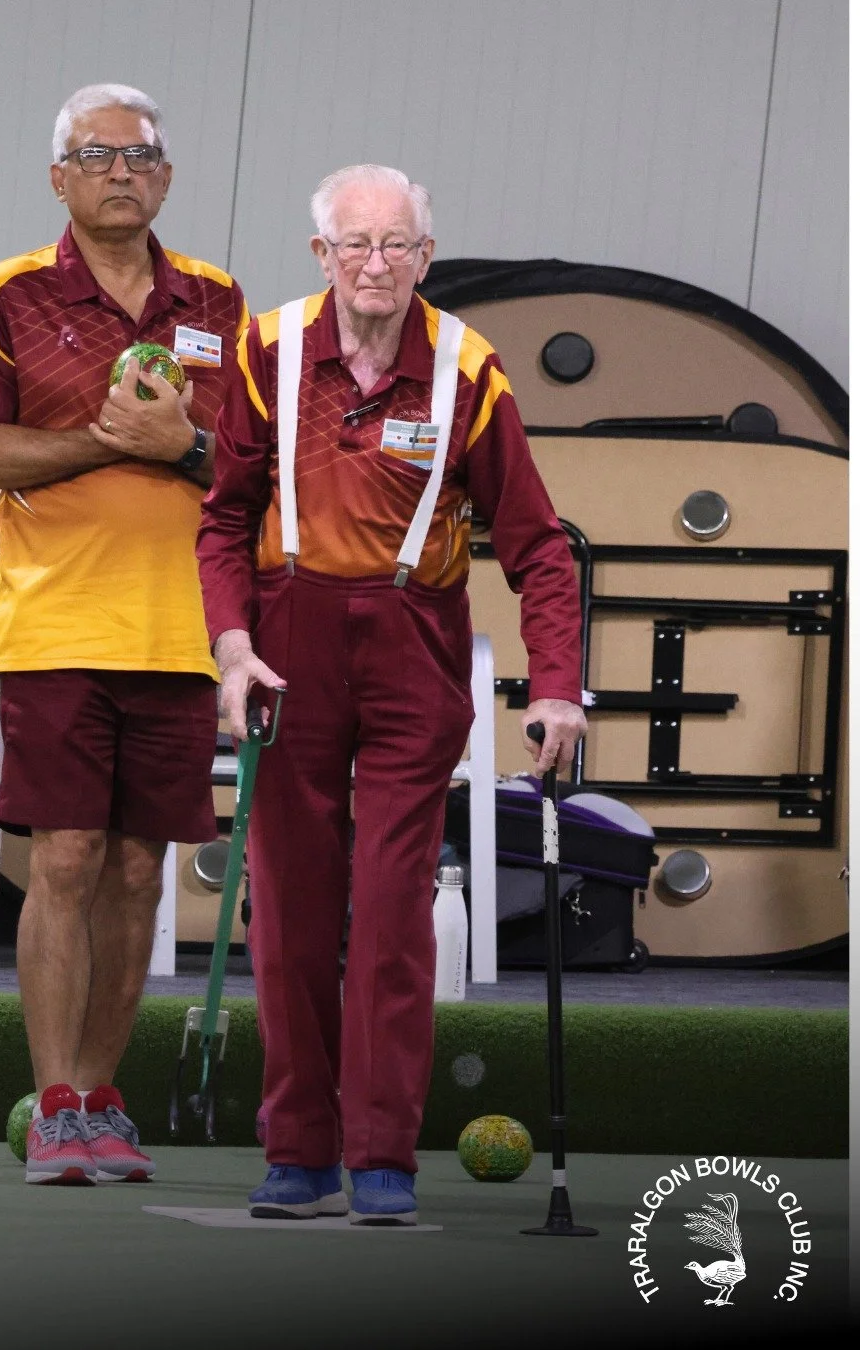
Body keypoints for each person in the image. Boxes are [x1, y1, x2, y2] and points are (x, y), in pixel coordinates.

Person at [196, 163, 586, 1225]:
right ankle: (300, 1149)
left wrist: (556, 688)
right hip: (288, 645)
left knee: (394, 910)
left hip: (414, 642)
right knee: (287, 910)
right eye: (356, 245)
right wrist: (232, 650)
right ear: (322, 255)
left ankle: (380, 1159)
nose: (377, 265)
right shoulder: (266, 349)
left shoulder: (470, 368)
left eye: (399, 245)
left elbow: (541, 548)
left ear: (425, 254)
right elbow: (223, 520)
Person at [0, 83, 248, 1185]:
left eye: (142, 154)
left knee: (139, 872)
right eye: (97, 153)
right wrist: (112, 445)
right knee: (63, 856)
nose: (122, 170)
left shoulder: (217, 301)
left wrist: (185, 449)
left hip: (182, 631)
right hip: (56, 624)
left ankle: (104, 1096)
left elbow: (250, 471)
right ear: (58, 176)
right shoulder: (7, 295)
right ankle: (55, 1099)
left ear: (165, 178)